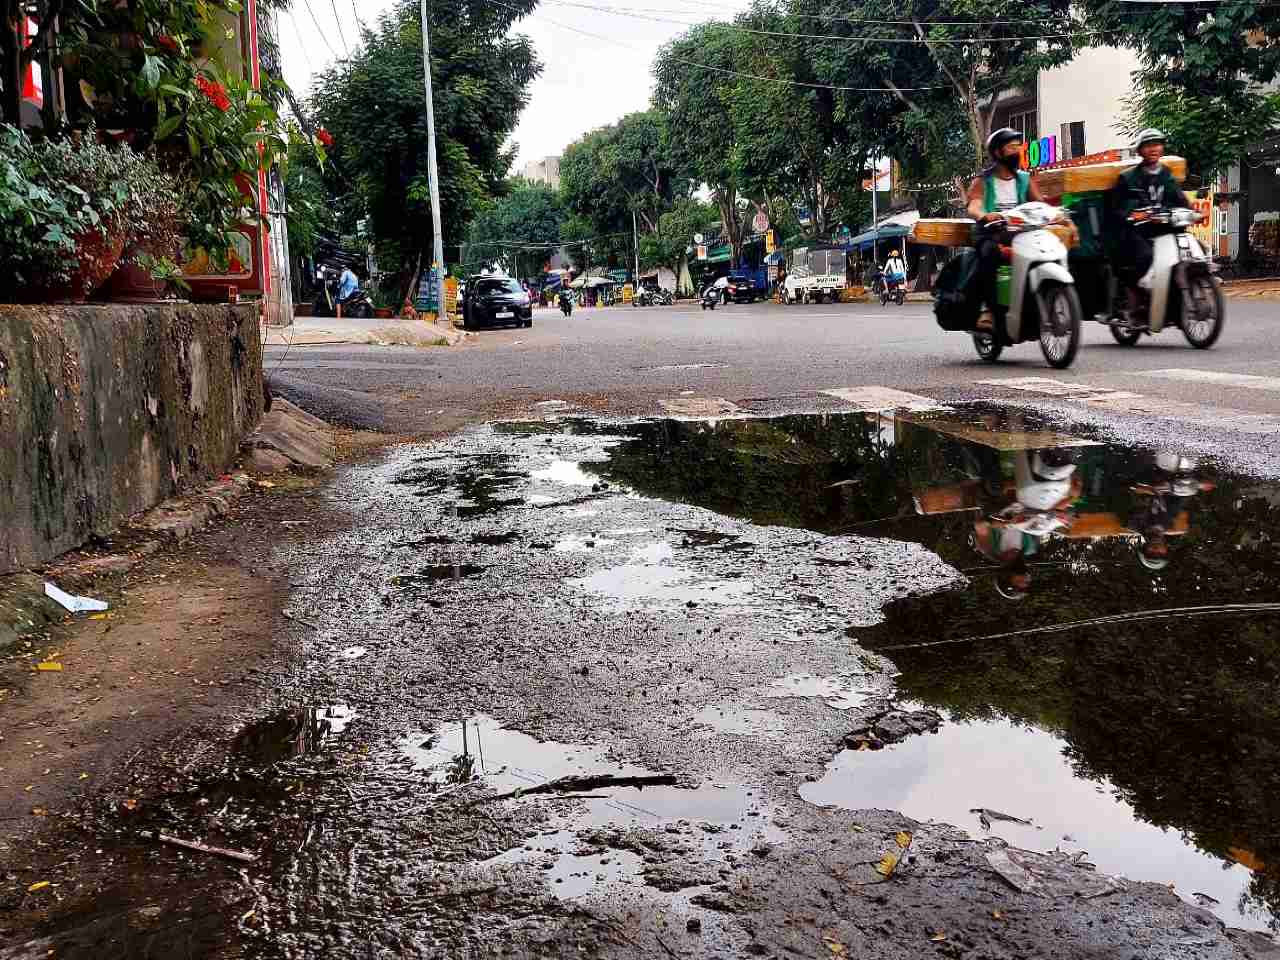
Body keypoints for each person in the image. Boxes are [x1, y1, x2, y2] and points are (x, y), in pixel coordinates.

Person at [966, 128, 1045, 330]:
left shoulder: (1025, 179)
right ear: (998, 153)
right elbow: (974, 205)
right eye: (1011, 148)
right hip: (990, 231)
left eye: (1018, 147)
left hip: (1019, 232)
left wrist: (1058, 217)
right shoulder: (983, 181)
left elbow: (1041, 204)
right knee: (989, 253)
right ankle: (987, 309)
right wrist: (984, 215)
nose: (1017, 151)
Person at [1111, 128, 1190, 314]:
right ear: (1140, 151)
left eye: (1157, 144)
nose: (1153, 149)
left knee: (1192, 250)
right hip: (1138, 231)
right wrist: (1135, 214)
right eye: (1148, 146)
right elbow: (1119, 208)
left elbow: (1180, 200)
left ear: (1162, 148)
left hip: (1166, 229)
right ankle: (1138, 300)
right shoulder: (1128, 177)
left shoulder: (1166, 174)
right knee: (1145, 256)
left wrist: (1192, 212)